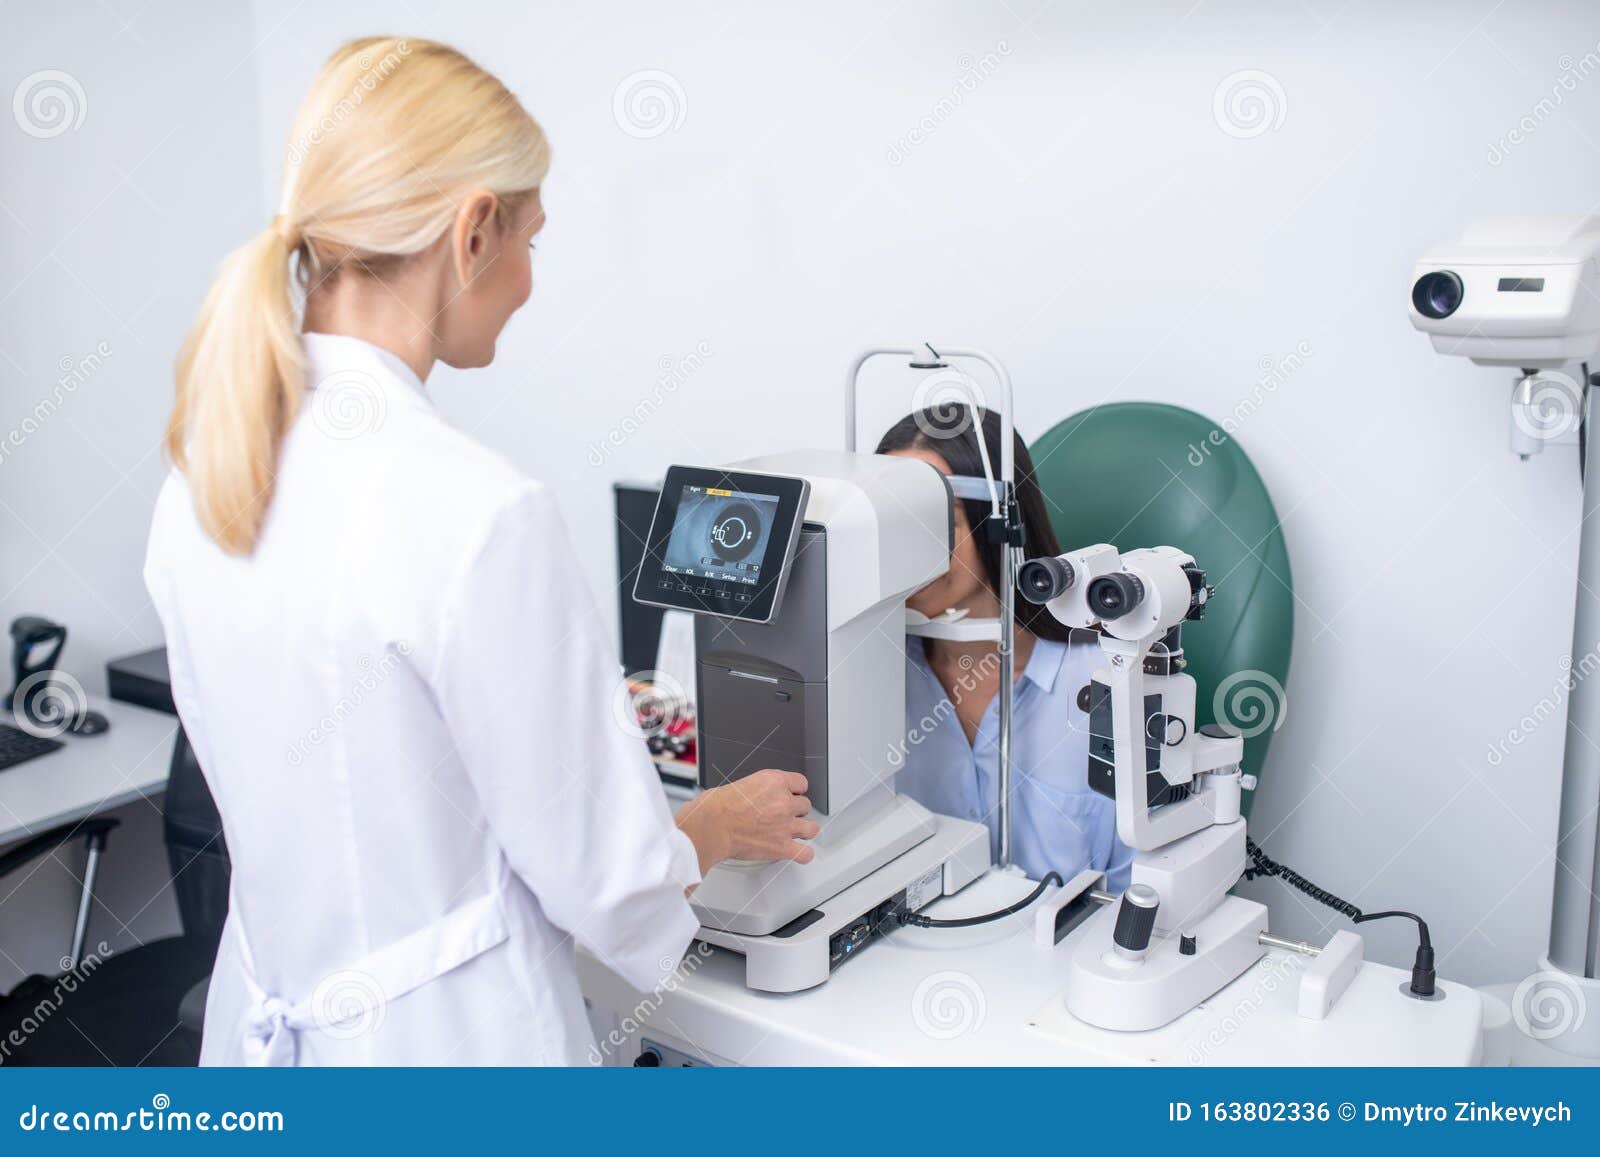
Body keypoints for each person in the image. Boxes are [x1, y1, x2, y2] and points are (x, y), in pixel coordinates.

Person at [145, 37, 816, 1066]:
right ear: (471, 232)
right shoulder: (478, 509)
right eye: (530, 243)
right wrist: (714, 823)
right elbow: (610, 878)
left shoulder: (204, 474)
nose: (528, 283)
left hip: (268, 1023)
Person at [877, 407, 1132, 890]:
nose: (909, 552)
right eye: (893, 523)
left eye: (937, 521)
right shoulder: (864, 680)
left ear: (1001, 523)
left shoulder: (1108, 682)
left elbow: (1146, 898)